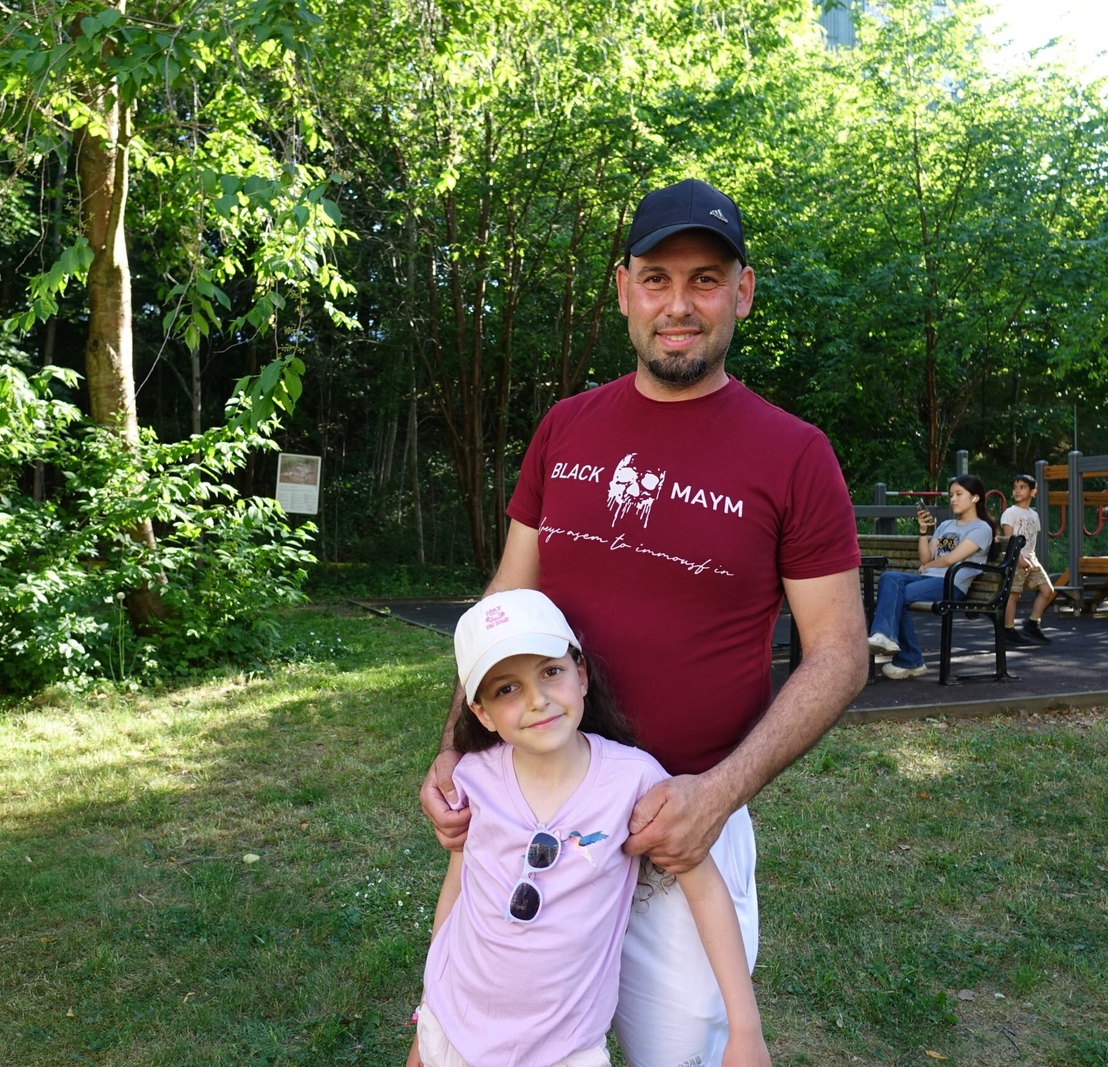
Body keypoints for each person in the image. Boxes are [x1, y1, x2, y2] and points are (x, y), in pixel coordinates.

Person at [419, 177, 867, 1065]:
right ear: (623, 289)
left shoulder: (794, 454)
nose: (679, 304)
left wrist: (719, 794)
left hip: (680, 829)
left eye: (706, 279)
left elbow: (840, 654)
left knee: (680, 1053)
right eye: (657, 278)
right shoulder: (567, 427)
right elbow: (502, 610)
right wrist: (455, 746)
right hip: (537, 811)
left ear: (741, 291)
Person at [407, 589, 770, 1067]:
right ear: (481, 713)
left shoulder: (634, 780)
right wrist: (431, 1010)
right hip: (453, 1026)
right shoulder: (474, 778)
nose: (537, 700)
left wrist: (745, 1030)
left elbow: (705, 891)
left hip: (565, 1048)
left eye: (550, 672)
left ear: (581, 674)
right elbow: (458, 889)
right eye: (506, 689)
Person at [865, 474, 994, 680]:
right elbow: (926, 557)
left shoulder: (981, 528)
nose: (953, 499)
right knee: (889, 578)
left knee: (898, 596)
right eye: (951, 495)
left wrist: (928, 565)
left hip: (952, 584)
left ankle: (910, 659)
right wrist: (924, 532)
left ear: (975, 498)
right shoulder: (945, 526)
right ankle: (884, 637)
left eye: (959, 494)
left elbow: (952, 559)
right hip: (931, 580)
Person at [999, 474, 1055, 644]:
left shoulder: (1033, 515)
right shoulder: (1010, 512)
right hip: (1016, 558)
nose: (1017, 491)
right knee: (1014, 595)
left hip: (1031, 558)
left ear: (1033, 491)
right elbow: (1009, 540)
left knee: (1047, 590)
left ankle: (1032, 624)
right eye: (1015, 487)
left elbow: (1031, 539)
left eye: (1022, 487)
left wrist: (1030, 558)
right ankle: (1008, 630)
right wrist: (1019, 558)